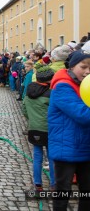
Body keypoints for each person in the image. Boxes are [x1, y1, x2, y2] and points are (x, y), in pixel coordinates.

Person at [48, 49, 90, 210]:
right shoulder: (62, 86)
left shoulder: (84, 86)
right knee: (62, 193)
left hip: (86, 147)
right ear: (72, 67)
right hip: (66, 148)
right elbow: (82, 114)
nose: (87, 72)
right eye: (83, 67)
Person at [22, 64, 55, 194]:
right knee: (51, 157)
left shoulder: (29, 91)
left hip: (34, 128)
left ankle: (37, 184)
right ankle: (53, 185)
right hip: (49, 129)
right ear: (49, 79)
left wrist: (32, 119)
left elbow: (24, 110)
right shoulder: (51, 93)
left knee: (37, 157)